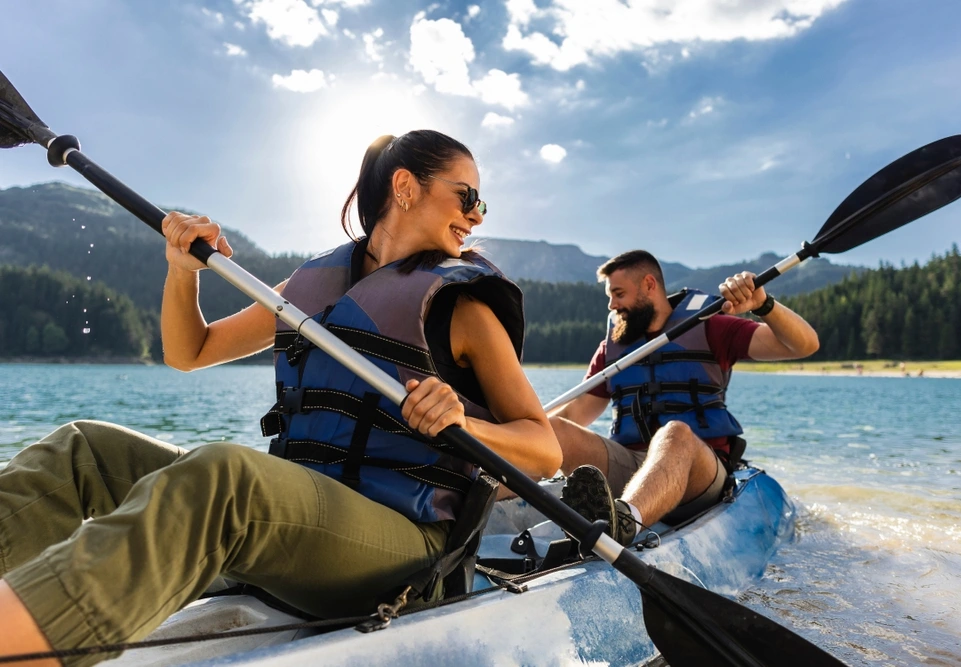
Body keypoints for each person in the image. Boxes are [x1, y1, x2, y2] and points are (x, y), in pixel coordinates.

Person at [0, 130, 562, 666]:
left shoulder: (464, 309)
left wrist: (464, 421)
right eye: (467, 197)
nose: (476, 216)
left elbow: (544, 450)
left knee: (228, 480)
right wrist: (181, 272)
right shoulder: (310, 289)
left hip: (404, 550)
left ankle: (17, 644)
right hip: (303, 525)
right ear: (406, 187)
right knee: (85, 451)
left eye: (481, 205)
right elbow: (189, 351)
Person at [549, 250, 819, 545]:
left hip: (698, 470)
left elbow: (803, 345)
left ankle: (624, 524)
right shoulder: (612, 348)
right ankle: (492, 499)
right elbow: (574, 414)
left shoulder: (711, 325)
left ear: (649, 285)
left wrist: (764, 305)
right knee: (553, 429)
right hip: (631, 467)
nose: (612, 305)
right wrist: (517, 428)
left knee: (675, 433)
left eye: (619, 293)